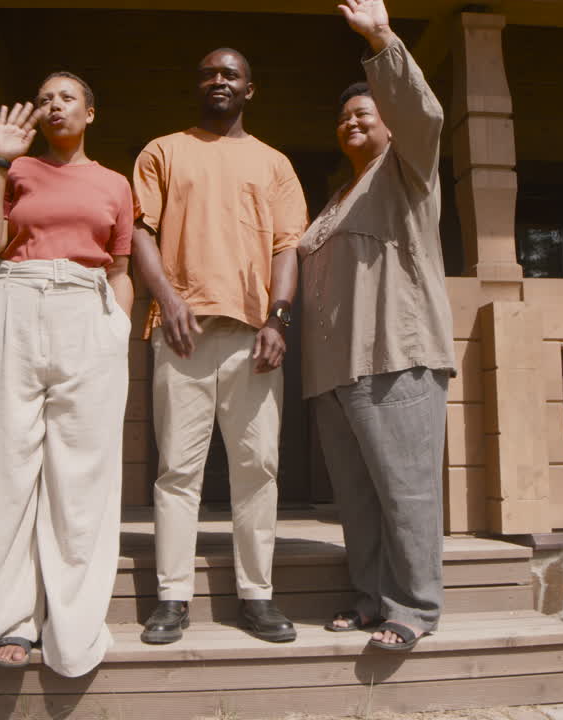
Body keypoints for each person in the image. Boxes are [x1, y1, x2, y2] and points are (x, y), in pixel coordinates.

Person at [0, 71, 134, 678]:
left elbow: (121, 267)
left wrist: (117, 330)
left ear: (90, 112)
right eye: (46, 98)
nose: (55, 106)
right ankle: (10, 620)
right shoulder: (17, 171)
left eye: (68, 98)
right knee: (5, 467)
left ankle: (73, 624)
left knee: (80, 477)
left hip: (89, 310)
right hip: (17, 302)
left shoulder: (114, 183)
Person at [131, 47, 307, 644]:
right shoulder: (163, 151)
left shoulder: (274, 163)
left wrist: (279, 319)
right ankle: (172, 597)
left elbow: (288, 246)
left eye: (230, 74)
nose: (218, 80)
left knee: (257, 469)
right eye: (207, 72)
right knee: (177, 470)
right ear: (196, 84)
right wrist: (168, 299)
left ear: (249, 89)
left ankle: (257, 596)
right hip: (181, 335)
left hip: (254, 338)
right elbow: (140, 232)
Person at [302, 0, 455, 651]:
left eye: (363, 113)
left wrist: (382, 39)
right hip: (336, 370)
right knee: (359, 499)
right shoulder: (341, 196)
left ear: (389, 126)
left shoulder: (406, 173)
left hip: (397, 355)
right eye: (343, 117)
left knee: (406, 493)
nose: (351, 122)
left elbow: (424, 116)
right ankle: (373, 596)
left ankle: (416, 609)